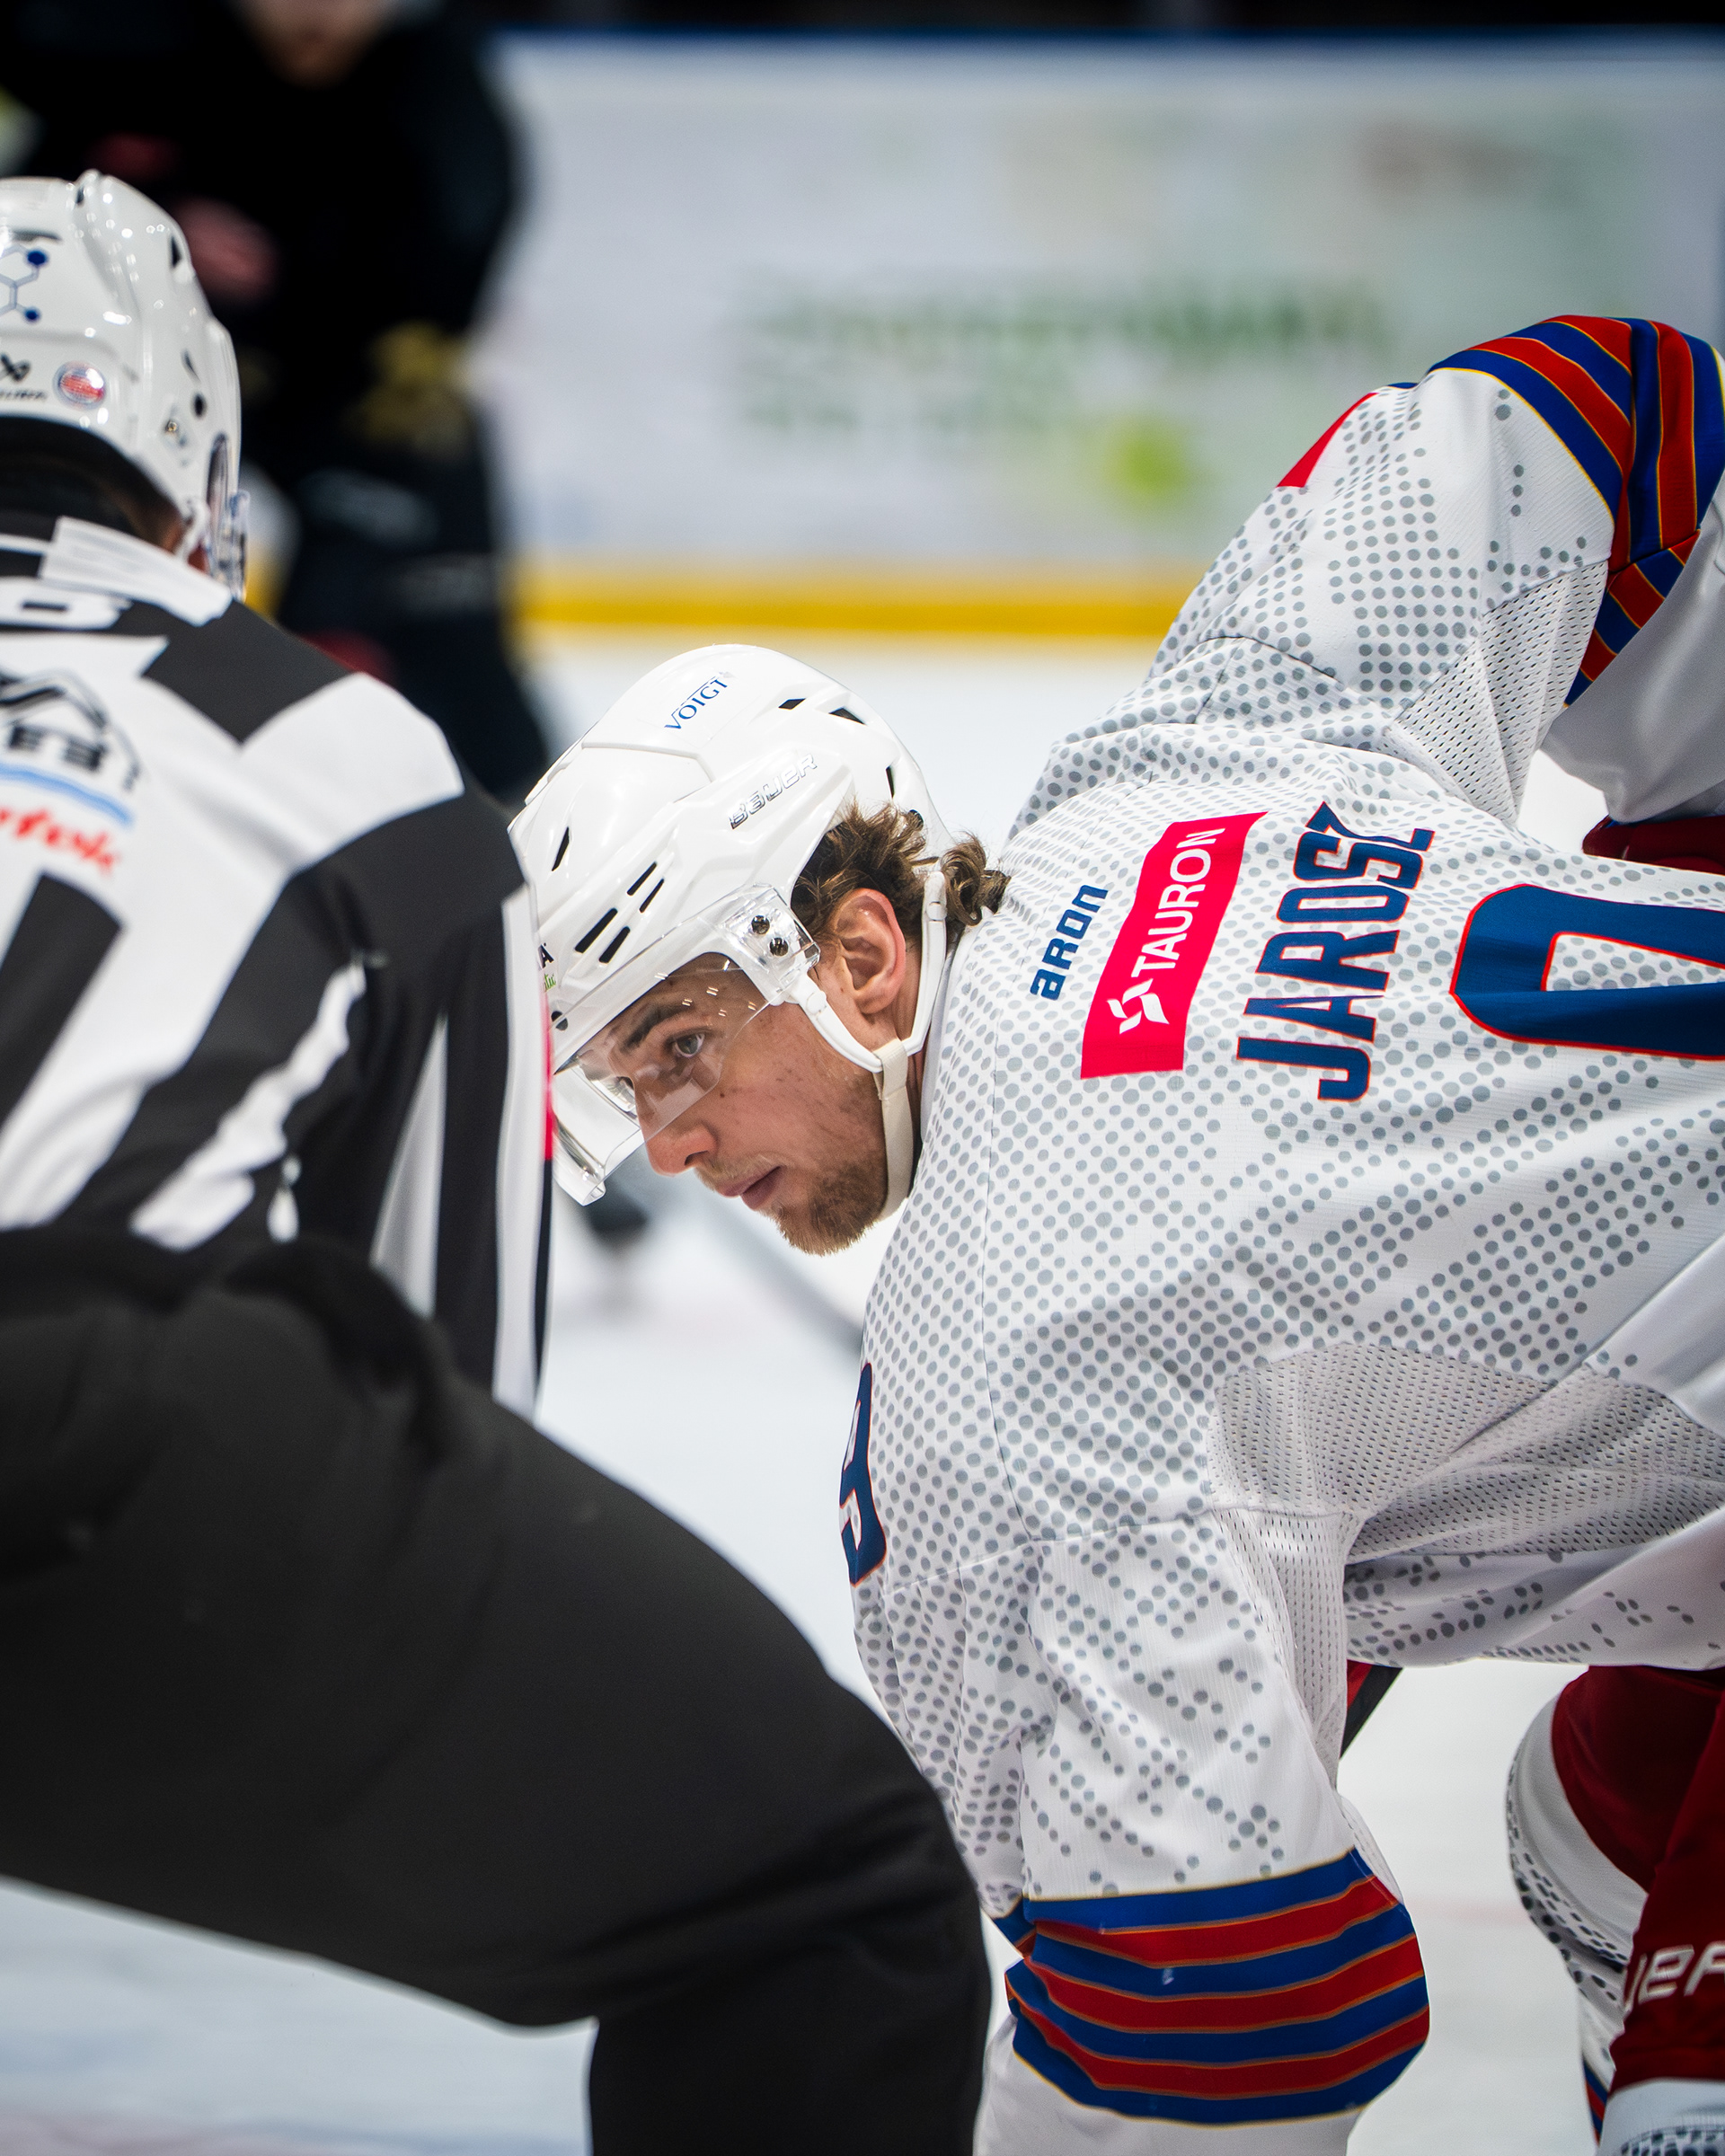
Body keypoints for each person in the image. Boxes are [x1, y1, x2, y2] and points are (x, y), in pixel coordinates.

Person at [520, 313, 1725, 2154]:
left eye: (680, 1049)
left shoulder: (998, 1379)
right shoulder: (1201, 741)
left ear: (860, 958)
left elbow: (1234, 2021)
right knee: (1604, 1817)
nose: (672, 1146)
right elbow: (1604, 418)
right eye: (627, 1092)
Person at [0, 170, 989, 2153]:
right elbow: (445, 1403)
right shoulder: (348, 753)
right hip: (74, 1412)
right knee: (836, 1909)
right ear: (196, 484)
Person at [0, 0, 552, 802]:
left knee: (424, 543)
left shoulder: (434, 85)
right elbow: (33, 216)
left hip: (343, 381)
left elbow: (460, 246)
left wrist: (367, 317)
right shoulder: (133, 49)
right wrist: (160, 230)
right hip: (152, 374)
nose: (316, 12)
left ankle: (474, 774)